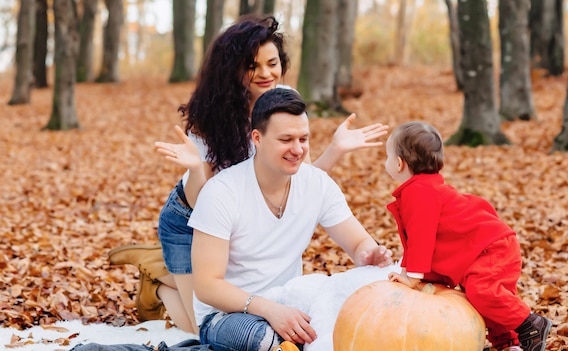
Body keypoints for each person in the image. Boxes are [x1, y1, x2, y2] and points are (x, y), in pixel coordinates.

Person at [108, 15, 388, 334]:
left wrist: (335, 149)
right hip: (190, 217)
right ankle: (158, 279)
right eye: (254, 66)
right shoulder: (214, 117)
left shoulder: (281, 100)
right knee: (196, 328)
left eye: (273, 63)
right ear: (234, 69)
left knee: (235, 306)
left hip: (237, 221)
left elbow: (301, 180)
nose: (267, 74)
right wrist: (197, 168)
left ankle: (178, 275)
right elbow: (207, 201)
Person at [188, 88, 393, 351]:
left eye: (303, 139)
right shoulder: (221, 192)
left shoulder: (317, 184)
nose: (297, 150)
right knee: (261, 339)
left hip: (291, 302)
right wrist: (269, 309)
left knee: (363, 308)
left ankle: (314, 343)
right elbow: (207, 285)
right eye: (286, 139)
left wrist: (370, 254)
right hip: (230, 314)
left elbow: (358, 242)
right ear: (257, 138)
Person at [383, 121, 552, 351]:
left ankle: (531, 324)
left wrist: (413, 276)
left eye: (387, 157)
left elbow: (422, 237)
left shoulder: (418, 192)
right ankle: (510, 344)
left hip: (490, 248)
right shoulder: (428, 187)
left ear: (399, 163)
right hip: (486, 247)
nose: (386, 162)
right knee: (486, 299)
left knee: (483, 293)